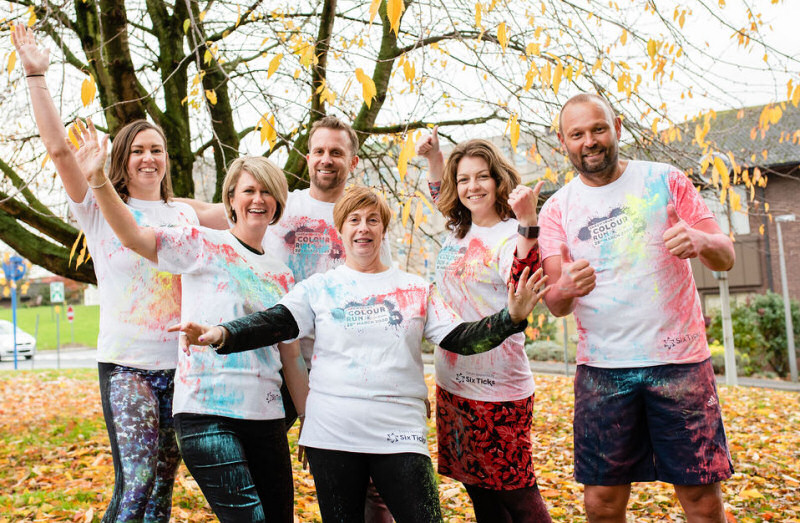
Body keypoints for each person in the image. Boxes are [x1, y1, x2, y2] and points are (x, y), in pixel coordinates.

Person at [172, 187, 550, 523]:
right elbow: (274, 323)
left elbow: (462, 339)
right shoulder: (319, 288)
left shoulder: (415, 289)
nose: (363, 228)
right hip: (332, 435)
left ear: (383, 229)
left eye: (372, 220)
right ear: (340, 230)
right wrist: (221, 333)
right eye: (353, 220)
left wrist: (510, 318)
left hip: (400, 435)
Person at [71, 122, 308, 522]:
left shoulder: (283, 276)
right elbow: (133, 236)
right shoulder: (201, 242)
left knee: (265, 515)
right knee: (144, 490)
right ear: (230, 200)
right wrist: (97, 180)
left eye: (267, 191)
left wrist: (310, 422)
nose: (258, 199)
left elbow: (292, 358)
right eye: (248, 191)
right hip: (205, 409)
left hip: (264, 415)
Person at [13, 26, 197, 522]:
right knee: (136, 484)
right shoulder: (99, 206)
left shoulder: (184, 214)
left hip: (182, 369)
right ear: (121, 158)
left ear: (166, 158)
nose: (148, 157)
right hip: (127, 366)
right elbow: (58, 150)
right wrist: (36, 75)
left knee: (161, 491)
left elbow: (249, 212)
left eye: (156, 149)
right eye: (137, 150)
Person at [182, 115, 393, 521]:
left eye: (336, 152)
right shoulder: (281, 204)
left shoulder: (362, 217)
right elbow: (205, 212)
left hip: (340, 366)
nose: (326, 159)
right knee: (253, 462)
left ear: (353, 161)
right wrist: (143, 199)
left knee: (363, 476)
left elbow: (381, 292)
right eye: (319, 151)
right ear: (308, 157)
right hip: (281, 364)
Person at [538, 93, 735, 522]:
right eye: (577, 134)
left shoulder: (665, 180)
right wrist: (565, 287)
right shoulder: (556, 209)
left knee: (701, 498)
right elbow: (555, 304)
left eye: (598, 129)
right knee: (601, 503)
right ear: (562, 141)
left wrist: (700, 240)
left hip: (680, 363)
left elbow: (725, 256)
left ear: (617, 127)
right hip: (602, 371)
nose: (589, 141)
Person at [416, 131, 552, 522]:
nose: (472, 187)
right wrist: (435, 159)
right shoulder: (458, 227)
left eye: (482, 177)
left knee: (517, 493)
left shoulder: (510, 233)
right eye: (464, 179)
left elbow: (522, 284)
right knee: (479, 491)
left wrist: (528, 221)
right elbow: (443, 193)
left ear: (498, 180)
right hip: (452, 385)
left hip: (498, 389)